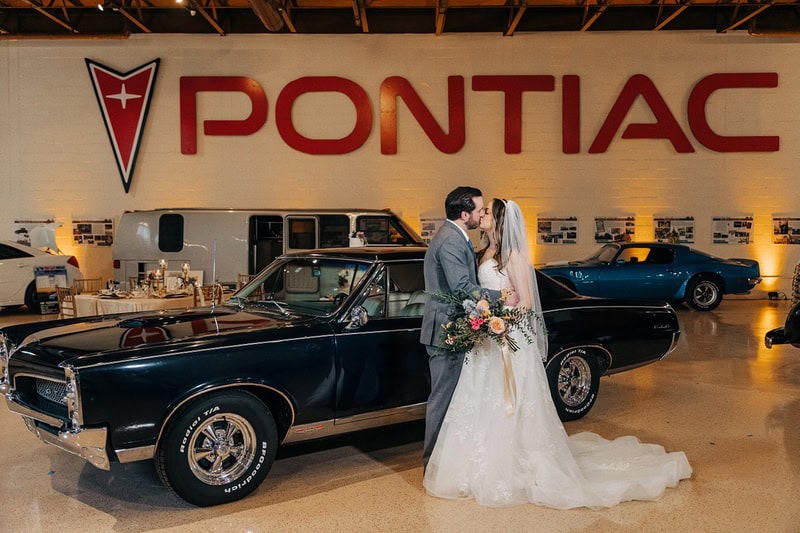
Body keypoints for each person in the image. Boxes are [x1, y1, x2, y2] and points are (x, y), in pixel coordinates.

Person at [423, 198, 692, 508]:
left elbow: (525, 301)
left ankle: (509, 463)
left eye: (486, 211)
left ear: (498, 219)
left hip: (507, 336)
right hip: (486, 343)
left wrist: (501, 323)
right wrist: (487, 320)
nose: (481, 215)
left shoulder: (513, 254)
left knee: (509, 402)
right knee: (480, 399)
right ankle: (474, 463)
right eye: (479, 210)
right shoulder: (482, 252)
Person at [420, 186, 518, 470]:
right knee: (443, 399)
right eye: (478, 209)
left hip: (456, 329)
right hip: (446, 331)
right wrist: (503, 296)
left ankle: (446, 462)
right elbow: (463, 288)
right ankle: (432, 465)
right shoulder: (450, 241)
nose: (481, 214)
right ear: (465, 214)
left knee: (455, 399)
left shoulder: (455, 237)